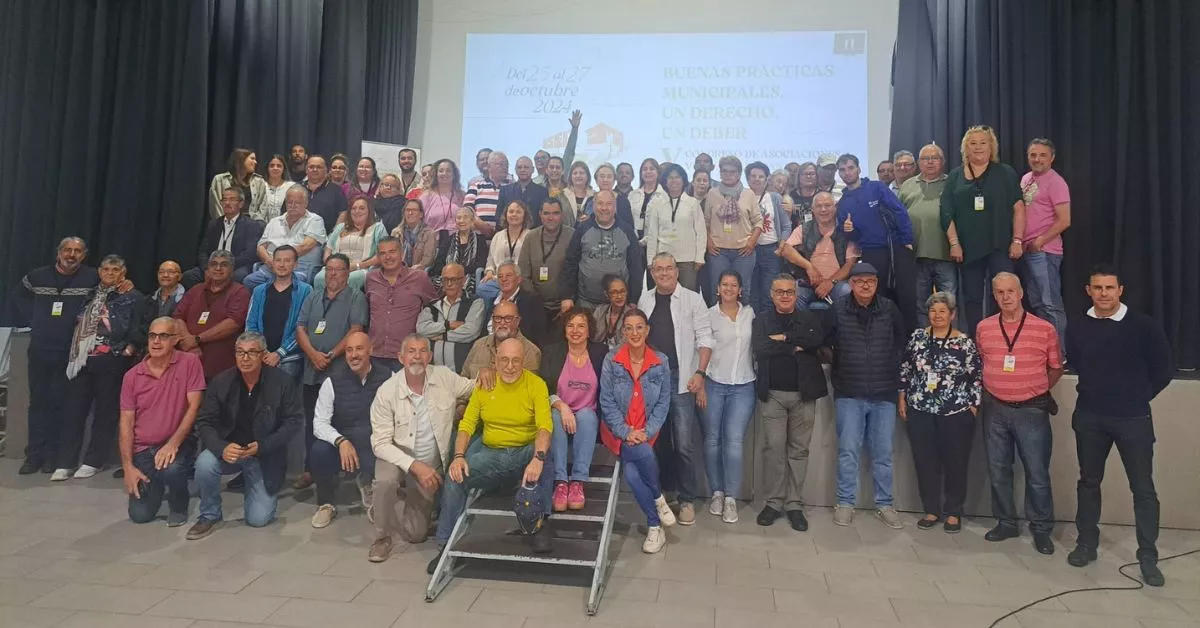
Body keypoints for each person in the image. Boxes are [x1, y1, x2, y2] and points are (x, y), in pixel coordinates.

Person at [1065, 265, 1171, 586]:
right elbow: (1077, 361)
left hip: (1133, 418)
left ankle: (1148, 556)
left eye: (1110, 288)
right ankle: (1086, 544)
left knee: (1143, 489)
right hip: (1090, 417)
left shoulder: (1143, 326)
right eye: (1098, 288)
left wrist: (1137, 396)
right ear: (1088, 291)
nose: (1104, 294)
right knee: (1088, 482)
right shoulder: (1078, 325)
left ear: (1120, 290)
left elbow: (1162, 369)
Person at [431, 338, 556, 570]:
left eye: (515, 360)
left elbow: (544, 427)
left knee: (547, 454)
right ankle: (445, 547)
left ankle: (541, 524)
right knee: (455, 475)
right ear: (495, 361)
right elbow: (467, 424)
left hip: (524, 452)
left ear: (524, 362)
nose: (509, 366)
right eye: (504, 360)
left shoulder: (536, 385)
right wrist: (458, 456)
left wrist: (537, 458)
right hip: (492, 456)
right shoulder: (485, 385)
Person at [976, 272, 1062, 555]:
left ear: (1022, 292)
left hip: (1032, 410)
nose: (1005, 297)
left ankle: (1041, 529)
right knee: (998, 470)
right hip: (995, 408)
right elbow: (980, 361)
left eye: (1010, 291)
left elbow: (1056, 367)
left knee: (1037, 472)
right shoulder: (984, 327)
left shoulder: (1045, 328)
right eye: (999, 292)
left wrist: (1035, 389)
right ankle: (1006, 523)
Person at [370, 334, 477, 561]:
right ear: (401, 358)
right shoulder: (386, 391)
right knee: (384, 481)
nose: (416, 356)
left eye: (422, 351)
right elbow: (380, 444)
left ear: (429, 357)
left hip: (433, 464)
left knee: (416, 534)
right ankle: (381, 536)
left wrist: (486, 374)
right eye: (411, 351)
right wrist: (415, 466)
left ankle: (391, 503)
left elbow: (474, 388)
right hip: (398, 459)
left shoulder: (444, 377)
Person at [187, 332, 303, 539]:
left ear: (263, 355)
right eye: (240, 352)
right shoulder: (222, 381)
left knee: (258, 520)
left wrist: (263, 445)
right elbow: (204, 422)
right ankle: (210, 514)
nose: (245, 358)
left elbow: (293, 422)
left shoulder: (282, 382)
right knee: (204, 463)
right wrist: (221, 447)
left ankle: (255, 489)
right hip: (228, 450)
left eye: (251, 352)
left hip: (263, 455)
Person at [829, 262, 907, 529]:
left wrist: (891, 369)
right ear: (850, 284)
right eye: (860, 281)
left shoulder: (889, 309)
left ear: (877, 284)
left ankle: (884, 504)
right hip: (849, 392)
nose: (865, 286)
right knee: (848, 452)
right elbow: (826, 343)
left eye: (871, 282)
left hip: (884, 393)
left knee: (883, 453)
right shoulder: (837, 309)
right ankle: (845, 502)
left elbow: (901, 342)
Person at [53, 254, 145, 480]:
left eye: (115, 270)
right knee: (73, 411)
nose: (110, 274)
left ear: (123, 273)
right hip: (82, 360)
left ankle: (93, 460)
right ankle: (66, 462)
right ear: (100, 272)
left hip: (111, 358)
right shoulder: (90, 294)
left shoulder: (132, 296)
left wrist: (129, 348)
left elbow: (139, 325)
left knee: (105, 412)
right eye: (106, 269)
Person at [638, 253, 713, 526]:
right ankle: (663, 495)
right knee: (657, 442)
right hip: (652, 380)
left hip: (682, 379)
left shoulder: (693, 299)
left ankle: (687, 500)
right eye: (659, 269)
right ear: (652, 273)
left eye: (669, 268)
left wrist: (700, 373)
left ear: (677, 271)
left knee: (683, 444)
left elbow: (705, 338)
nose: (664, 273)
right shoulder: (645, 299)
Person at [14, 237, 99, 474]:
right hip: (40, 348)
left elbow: (105, 296)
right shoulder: (36, 276)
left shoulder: (92, 278)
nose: (72, 254)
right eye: (68, 250)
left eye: (77, 251)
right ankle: (34, 456)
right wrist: (36, 319)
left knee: (61, 405)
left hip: (69, 352)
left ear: (84, 255)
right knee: (38, 404)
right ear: (58, 252)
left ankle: (53, 457)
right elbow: (18, 295)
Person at [898, 292, 981, 533]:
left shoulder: (964, 342)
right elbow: (906, 368)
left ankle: (953, 511)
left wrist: (972, 407)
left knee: (955, 462)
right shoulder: (918, 338)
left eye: (943, 311)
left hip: (955, 411)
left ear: (953, 314)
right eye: (933, 311)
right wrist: (902, 395)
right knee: (925, 461)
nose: (937, 315)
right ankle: (931, 509)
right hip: (920, 408)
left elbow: (975, 376)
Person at [752, 273, 828, 531]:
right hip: (772, 394)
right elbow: (761, 347)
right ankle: (773, 502)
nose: (785, 296)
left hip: (804, 394)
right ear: (771, 294)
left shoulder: (809, 318)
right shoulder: (762, 320)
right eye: (780, 291)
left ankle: (794, 504)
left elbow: (815, 340)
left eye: (790, 292)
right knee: (773, 448)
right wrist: (792, 345)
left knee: (799, 450)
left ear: (796, 295)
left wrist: (783, 338)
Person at [598, 308, 676, 553]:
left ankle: (655, 526)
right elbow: (607, 401)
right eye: (629, 328)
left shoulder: (660, 361)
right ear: (623, 332)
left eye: (639, 327)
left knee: (632, 476)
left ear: (647, 330)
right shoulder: (612, 360)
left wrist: (647, 431)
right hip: (616, 432)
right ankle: (658, 499)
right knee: (640, 456)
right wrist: (625, 431)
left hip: (646, 433)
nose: (634, 332)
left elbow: (664, 402)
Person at [940, 125, 1026, 335]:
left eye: (983, 142)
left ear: (991, 147)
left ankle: (1006, 336)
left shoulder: (1005, 173)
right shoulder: (955, 176)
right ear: (965, 148)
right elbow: (946, 213)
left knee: (1004, 294)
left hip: (1000, 245)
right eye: (973, 143)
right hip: (968, 249)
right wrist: (954, 243)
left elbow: (1019, 208)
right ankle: (978, 341)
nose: (978, 147)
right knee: (972, 298)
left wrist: (1017, 240)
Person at [120, 317, 205, 526]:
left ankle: (178, 503)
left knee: (173, 469)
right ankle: (156, 483)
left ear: (175, 339)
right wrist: (128, 467)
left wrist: (172, 444)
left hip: (177, 443)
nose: (156, 341)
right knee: (140, 516)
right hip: (143, 450)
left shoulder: (190, 362)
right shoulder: (132, 376)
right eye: (152, 336)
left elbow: (194, 407)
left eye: (163, 336)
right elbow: (125, 424)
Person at [293, 254, 367, 489]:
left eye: (338, 270)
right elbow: (300, 328)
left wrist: (331, 355)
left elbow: (356, 330)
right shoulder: (313, 297)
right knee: (312, 422)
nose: (333, 274)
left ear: (347, 273)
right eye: (329, 269)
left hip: (340, 372)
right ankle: (310, 469)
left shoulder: (357, 298)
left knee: (339, 421)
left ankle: (342, 469)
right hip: (311, 371)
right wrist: (313, 355)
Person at [306, 331, 390, 528]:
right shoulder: (331, 381)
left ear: (371, 350)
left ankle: (371, 487)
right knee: (319, 451)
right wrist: (340, 441)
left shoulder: (389, 376)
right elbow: (319, 423)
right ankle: (326, 504)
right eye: (349, 350)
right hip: (345, 440)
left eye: (359, 349)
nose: (353, 355)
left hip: (376, 439)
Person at [836, 153, 919, 332]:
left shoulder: (876, 188)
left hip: (896, 246)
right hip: (871, 252)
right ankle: (884, 339)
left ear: (858, 169)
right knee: (878, 297)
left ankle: (912, 341)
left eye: (850, 168)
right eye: (842, 170)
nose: (847, 173)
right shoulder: (843, 204)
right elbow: (852, 236)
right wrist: (849, 231)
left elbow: (899, 212)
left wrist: (907, 240)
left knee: (907, 297)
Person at [699, 270, 756, 523]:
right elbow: (699, 350)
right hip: (713, 384)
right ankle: (717, 493)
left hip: (743, 386)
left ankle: (731, 497)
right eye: (725, 285)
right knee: (712, 440)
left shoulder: (751, 315)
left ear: (740, 290)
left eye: (734, 285)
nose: (729, 289)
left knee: (733, 442)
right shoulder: (708, 315)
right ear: (718, 289)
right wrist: (699, 383)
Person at [540, 308, 607, 512]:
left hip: (588, 418)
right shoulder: (552, 352)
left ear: (589, 330)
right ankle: (561, 482)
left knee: (587, 415)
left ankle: (578, 481)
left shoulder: (600, 353)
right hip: (560, 413)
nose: (575, 330)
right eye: (570, 325)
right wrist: (562, 406)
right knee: (555, 415)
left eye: (581, 326)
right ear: (564, 329)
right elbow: (544, 389)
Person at [1019, 138, 1071, 359]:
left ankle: (1059, 354)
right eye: (1033, 155)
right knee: (1037, 302)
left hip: (1046, 251)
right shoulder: (1025, 179)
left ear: (1052, 157)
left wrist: (1040, 241)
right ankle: (1045, 351)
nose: (1037, 159)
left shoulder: (1056, 182)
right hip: (1027, 252)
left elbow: (1064, 220)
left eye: (1042, 155)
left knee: (1050, 304)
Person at [898, 144, 955, 327]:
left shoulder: (952, 183)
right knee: (920, 304)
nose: (930, 162)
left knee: (949, 303)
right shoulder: (907, 185)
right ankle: (924, 343)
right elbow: (896, 217)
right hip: (915, 255)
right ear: (918, 163)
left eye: (935, 158)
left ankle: (949, 344)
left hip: (945, 254)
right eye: (925, 158)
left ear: (943, 161)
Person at [173, 251, 251, 380]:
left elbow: (233, 323)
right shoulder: (196, 289)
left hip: (220, 367)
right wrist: (188, 340)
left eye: (224, 264)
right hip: (186, 359)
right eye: (213, 264)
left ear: (232, 270)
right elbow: (178, 316)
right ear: (208, 268)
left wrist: (198, 339)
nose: (218, 268)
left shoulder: (240, 292)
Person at [561, 190, 644, 310]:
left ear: (615, 207)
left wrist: (633, 299)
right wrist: (567, 296)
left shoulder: (627, 231)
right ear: (593, 206)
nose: (604, 208)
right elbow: (570, 263)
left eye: (609, 204)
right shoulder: (582, 229)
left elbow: (636, 266)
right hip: (586, 302)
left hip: (619, 303)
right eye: (600, 203)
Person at [365, 237, 437, 372]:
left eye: (392, 251)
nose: (388, 257)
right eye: (382, 253)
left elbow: (435, 308)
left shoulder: (419, 278)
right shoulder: (370, 278)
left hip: (407, 355)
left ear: (402, 252)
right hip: (375, 353)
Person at [245, 245, 313, 381]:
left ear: (295, 264)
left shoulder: (306, 291)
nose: (282, 265)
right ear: (272, 262)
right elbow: (250, 325)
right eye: (278, 260)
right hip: (261, 354)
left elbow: (303, 329)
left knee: (280, 388)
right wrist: (262, 351)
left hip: (290, 357)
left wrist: (279, 353)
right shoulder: (259, 291)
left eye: (287, 261)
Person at [780, 191, 858, 310]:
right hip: (808, 283)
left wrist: (831, 282)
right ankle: (801, 328)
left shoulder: (846, 230)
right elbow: (786, 250)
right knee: (793, 293)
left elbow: (850, 264)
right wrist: (809, 267)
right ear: (813, 209)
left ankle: (843, 329)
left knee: (847, 291)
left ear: (835, 207)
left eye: (827, 205)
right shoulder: (803, 228)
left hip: (837, 283)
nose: (823, 210)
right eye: (819, 206)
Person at [703, 155, 763, 306]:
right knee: (716, 291)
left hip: (743, 251)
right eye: (724, 171)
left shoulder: (748, 194)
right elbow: (705, 222)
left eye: (732, 171)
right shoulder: (712, 193)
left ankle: (742, 326)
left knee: (743, 291)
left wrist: (751, 243)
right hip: (718, 251)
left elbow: (758, 221)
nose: (728, 174)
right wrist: (709, 243)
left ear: (739, 173)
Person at [244, 186, 327, 289]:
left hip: (299, 269)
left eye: (297, 203)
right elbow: (260, 247)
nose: (293, 206)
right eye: (289, 202)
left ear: (306, 203)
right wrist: (271, 262)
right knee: (249, 281)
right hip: (270, 268)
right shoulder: (274, 221)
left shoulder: (315, 220)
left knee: (287, 285)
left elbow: (306, 245)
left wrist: (281, 261)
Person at [185, 187, 265, 288]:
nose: (227, 203)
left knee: (239, 277)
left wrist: (226, 266)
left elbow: (250, 254)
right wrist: (207, 268)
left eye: (232, 200)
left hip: (236, 266)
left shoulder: (251, 225)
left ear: (240, 204)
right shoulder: (213, 224)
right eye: (224, 200)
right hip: (213, 266)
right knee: (189, 276)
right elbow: (203, 251)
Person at [645, 164, 706, 292]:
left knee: (688, 297)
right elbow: (652, 234)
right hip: (663, 259)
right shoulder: (657, 204)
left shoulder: (692, 203)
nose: (674, 181)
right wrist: (650, 260)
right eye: (670, 178)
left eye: (677, 177)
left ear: (683, 180)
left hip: (687, 260)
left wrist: (700, 257)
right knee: (664, 295)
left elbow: (701, 233)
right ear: (665, 181)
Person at [416, 263, 486, 372]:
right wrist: (448, 325)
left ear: (463, 281)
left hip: (462, 373)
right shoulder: (432, 305)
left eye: (453, 279)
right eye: (445, 280)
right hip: (434, 372)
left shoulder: (475, 303)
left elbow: (471, 331)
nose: (449, 284)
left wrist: (442, 336)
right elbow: (421, 329)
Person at [517, 198, 575, 326]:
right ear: (540, 215)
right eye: (546, 213)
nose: (551, 218)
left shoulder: (572, 236)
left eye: (555, 213)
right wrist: (535, 300)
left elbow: (574, 272)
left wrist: (568, 298)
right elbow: (523, 273)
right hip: (534, 303)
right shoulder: (531, 237)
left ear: (562, 215)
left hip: (564, 304)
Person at [314, 195, 387, 292]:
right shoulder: (341, 227)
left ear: (369, 211)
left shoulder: (378, 228)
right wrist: (329, 265)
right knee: (319, 278)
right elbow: (328, 248)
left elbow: (382, 254)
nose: (357, 211)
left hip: (362, 268)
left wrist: (358, 265)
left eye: (362, 208)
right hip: (336, 267)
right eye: (354, 208)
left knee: (351, 279)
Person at [746, 161, 792, 314]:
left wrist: (781, 245)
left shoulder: (775, 198)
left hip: (772, 251)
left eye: (761, 176)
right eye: (753, 176)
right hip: (748, 252)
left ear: (767, 179)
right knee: (750, 294)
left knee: (769, 294)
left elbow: (786, 225)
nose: (757, 179)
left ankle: (767, 331)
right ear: (747, 178)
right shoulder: (742, 197)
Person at [461, 301, 542, 378]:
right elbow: (464, 379)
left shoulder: (531, 351)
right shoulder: (479, 345)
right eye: (498, 318)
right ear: (492, 321)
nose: (502, 323)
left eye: (508, 318)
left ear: (517, 322)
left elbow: (527, 388)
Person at [486, 261, 548, 346]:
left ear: (519, 279)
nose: (504, 279)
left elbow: (537, 335)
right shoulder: (492, 302)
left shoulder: (531, 301)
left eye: (508, 275)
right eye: (500, 276)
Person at [430, 207, 488, 298]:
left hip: (468, 275)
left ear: (472, 220)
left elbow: (481, 263)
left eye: (465, 217)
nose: (462, 220)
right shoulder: (448, 240)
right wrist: (450, 273)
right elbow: (439, 262)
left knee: (466, 284)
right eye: (459, 218)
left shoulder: (480, 240)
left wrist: (459, 272)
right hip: (447, 275)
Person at [479, 200, 531, 301]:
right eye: (511, 211)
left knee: (525, 291)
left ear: (525, 216)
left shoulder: (530, 235)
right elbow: (490, 259)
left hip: (520, 280)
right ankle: (506, 297)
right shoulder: (498, 236)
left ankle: (505, 297)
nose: (514, 214)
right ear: (506, 215)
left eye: (518, 212)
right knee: (482, 289)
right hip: (499, 279)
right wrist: (489, 271)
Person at [209, 148, 267, 221]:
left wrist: (254, 225)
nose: (255, 162)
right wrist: (226, 224)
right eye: (252, 158)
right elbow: (216, 207)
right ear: (241, 160)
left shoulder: (259, 181)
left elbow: (263, 207)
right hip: (226, 223)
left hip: (251, 224)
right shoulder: (220, 180)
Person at [464, 150, 509, 237]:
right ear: (489, 166)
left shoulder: (511, 188)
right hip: (478, 238)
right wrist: (479, 224)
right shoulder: (476, 186)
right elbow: (467, 209)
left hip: (503, 239)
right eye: (501, 164)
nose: (505, 167)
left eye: (507, 165)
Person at [532, 109, 581, 187]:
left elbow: (569, 152)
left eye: (543, 157)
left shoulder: (559, 174)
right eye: (536, 158)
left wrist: (574, 129)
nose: (539, 160)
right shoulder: (532, 183)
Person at [303, 155, 349, 235]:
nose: (315, 170)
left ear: (326, 170)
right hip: (297, 236)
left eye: (319, 167)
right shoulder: (297, 188)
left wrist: (334, 235)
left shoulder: (336, 190)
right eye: (311, 167)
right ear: (306, 170)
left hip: (325, 239)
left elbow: (343, 213)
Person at [498, 156, 549, 227]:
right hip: (509, 234)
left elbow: (544, 217)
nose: (522, 170)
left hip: (534, 234)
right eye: (519, 167)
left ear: (533, 170)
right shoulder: (505, 190)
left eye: (526, 167)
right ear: (515, 170)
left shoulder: (542, 192)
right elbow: (499, 217)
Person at [581, 163, 636, 229]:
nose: (605, 180)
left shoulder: (622, 201)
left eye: (609, 177)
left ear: (614, 180)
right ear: (596, 180)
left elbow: (629, 228)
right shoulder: (590, 201)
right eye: (602, 176)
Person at [420, 158, 466, 234]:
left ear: (454, 174)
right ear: (435, 174)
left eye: (448, 171)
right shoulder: (426, 196)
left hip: (457, 242)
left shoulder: (462, 196)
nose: (445, 173)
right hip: (432, 242)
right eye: (441, 171)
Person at [391, 198, 437, 272]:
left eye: (414, 210)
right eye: (407, 210)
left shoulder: (429, 233)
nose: (410, 213)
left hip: (418, 271)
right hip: (398, 270)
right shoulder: (396, 232)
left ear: (421, 214)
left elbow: (428, 259)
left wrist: (416, 268)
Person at [592, 275, 637, 349]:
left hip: (622, 355)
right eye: (614, 292)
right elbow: (592, 337)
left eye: (622, 291)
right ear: (606, 294)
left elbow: (628, 344)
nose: (619, 296)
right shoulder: (600, 311)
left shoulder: (632, 315)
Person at [627, 158, 665, 239]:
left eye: (652, 169)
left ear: (658, 173)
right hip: (634, 241)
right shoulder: (632, 195)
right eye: (644, 169)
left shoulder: (665, 196)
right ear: (641, 173)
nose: (648, 172)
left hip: (656, 241)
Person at [263, 154, 298, 219]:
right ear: (267, 168)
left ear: (283, 169)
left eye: (279, 166)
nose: (275, 168)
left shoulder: (291, 186)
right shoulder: (261, 185)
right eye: (272, 166)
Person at [559, 160, 593, 226]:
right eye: (575, 173)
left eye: (581, 173)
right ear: (570, 177)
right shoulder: (561, 196)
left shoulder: (596, 196)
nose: (578, 176)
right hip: (568, 234)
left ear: (587, 176)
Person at [788, 162, 819, 228]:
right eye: (805, 174)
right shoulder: (790, 196)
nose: (808, 176)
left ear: (817, 176)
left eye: (811, 174)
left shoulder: (823, 195)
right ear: (799, 176)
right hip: (794, 235)